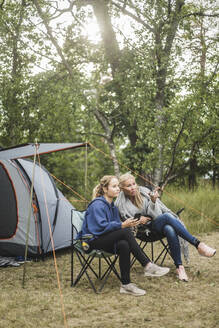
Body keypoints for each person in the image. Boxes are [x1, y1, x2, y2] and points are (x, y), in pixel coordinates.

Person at [78, 175, 170, 296]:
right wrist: (122, 226)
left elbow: (115, 229)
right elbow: (98, 228)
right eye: (114, 186)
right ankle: (147, 265)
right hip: (89, 242)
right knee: (124, 230)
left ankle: (126, 285)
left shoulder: (112, 207)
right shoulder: (97, 205)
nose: (117, 189)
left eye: (118, 186)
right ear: (105, 189)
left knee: (124, 244)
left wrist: (130, 225)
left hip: (103, 240)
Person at [115, 172, 216, 282]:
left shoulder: (144, 193)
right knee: (168, 222)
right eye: (129, 186)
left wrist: (153, 201)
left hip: (154, 226)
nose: (133, 187)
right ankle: (198, 245)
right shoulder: (119, 204)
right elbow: (124, 226)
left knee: (168, 225)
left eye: (134, 184)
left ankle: (180, 267)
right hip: (141, 232)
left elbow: (157, 216)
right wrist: (139, 220)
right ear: (122, 188)